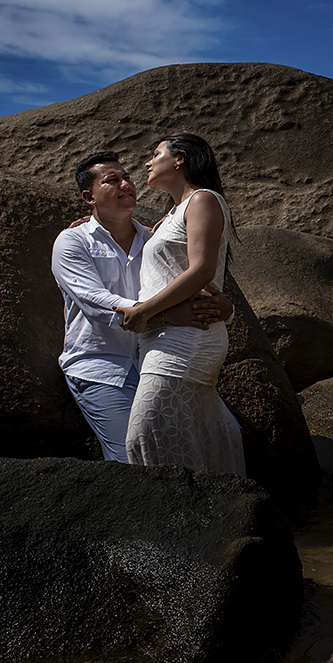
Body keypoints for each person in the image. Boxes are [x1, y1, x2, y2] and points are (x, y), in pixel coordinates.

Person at [52, 151, 234, 462]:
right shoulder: (73, 242)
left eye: (127, 177)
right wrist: (161, 313)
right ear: (89, 196)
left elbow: (192, 285)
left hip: (155, 359)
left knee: (218, 439)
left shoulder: (152, 242)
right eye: (112, 180)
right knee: (133, 457)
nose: (126, 183)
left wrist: (224, 306)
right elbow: (97, 304)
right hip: (101, 368)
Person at [116, 133, 246, 476]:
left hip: (187, 337)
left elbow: (202, 268)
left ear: (180, 158)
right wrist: (92, 222)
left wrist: (145, 310)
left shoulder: (203, 200)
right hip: (163, 337)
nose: (147, 162)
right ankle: (220, 509)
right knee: (198, 435)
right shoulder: (171, 213)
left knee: (142, 436)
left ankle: (173, 520)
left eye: (156, 154)